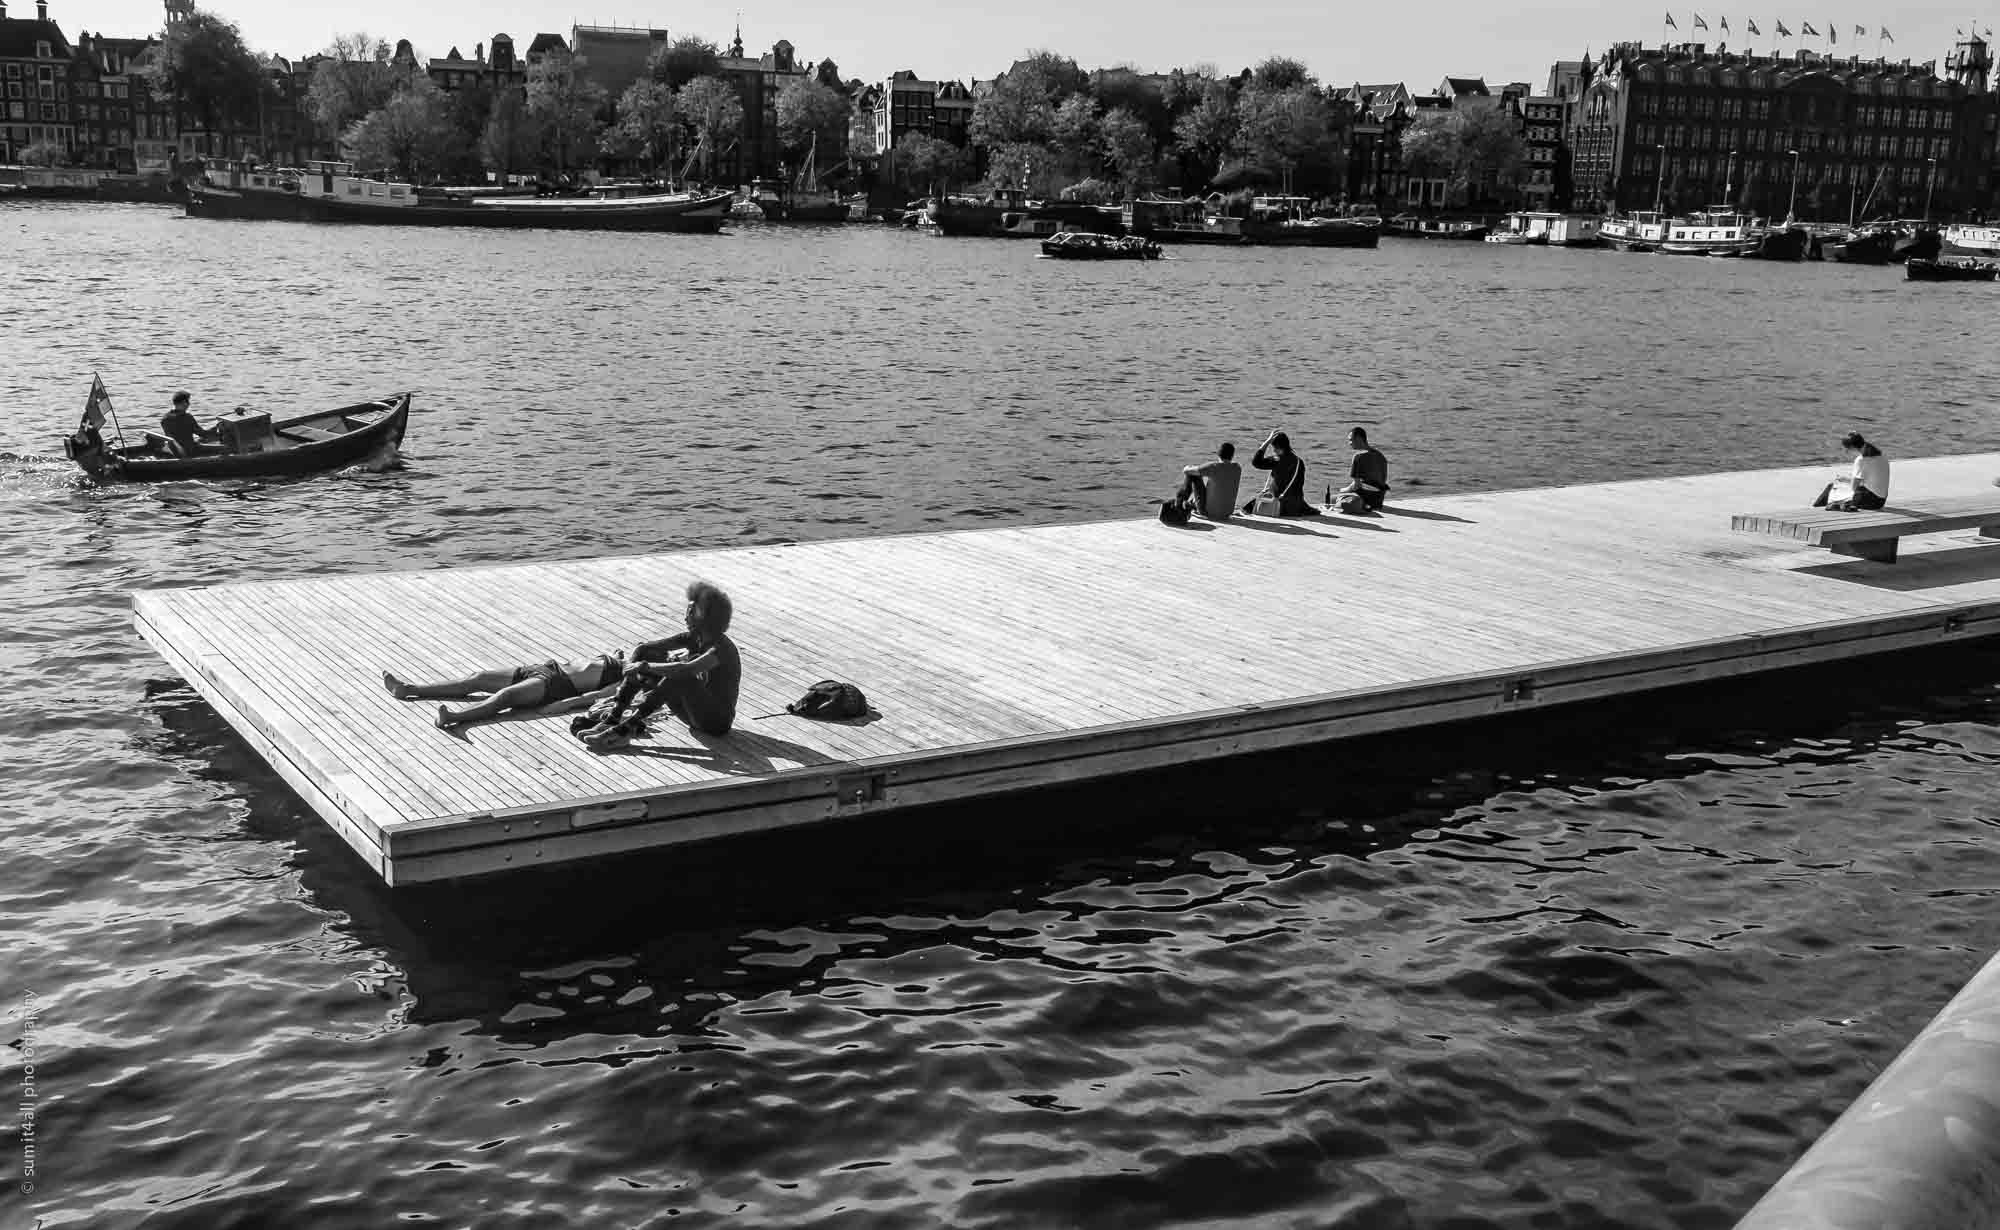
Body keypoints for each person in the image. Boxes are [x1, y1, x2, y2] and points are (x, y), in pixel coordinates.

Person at [579, 580, 741, 749]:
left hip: (716, 723)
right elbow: (645, 649)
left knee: (680, 676)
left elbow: (687, 669)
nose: (685, 617)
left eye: (691, 612)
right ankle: (613, 718)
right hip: (691, 715)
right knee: (647, 654)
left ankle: (625, 730)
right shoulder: (694, 637)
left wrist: (644, 667)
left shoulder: (721, 649)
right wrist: (637, 665)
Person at [385, 653, 629, 730]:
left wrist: (558, 707)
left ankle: (454, 718)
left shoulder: (626, 681)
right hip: (545, 668)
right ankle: (408, 689)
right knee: (477, 678)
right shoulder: (624, 659)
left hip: (555, 686)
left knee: (505, 698)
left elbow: (591, 698)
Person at [1812, 431, 1889, 511]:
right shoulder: (1881, 456)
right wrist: (1846, 480)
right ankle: (1816, 510)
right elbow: (1868, 483)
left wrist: (1845, 483)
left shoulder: (1861, 460)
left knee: (1831, 487)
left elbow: (1854, 488)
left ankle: (1814, 511)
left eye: (1847, 449)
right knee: (1836, 487)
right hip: (1880, 501)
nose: (1846, 452)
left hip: (1868, 501)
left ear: (1853, 447)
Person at [1243, 430, 1312, 516]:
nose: (1274, 451)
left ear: (1277, 447)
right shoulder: (1299, 462)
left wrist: (1267, 441)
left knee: (1247, 508)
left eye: (1274, 447)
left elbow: (1256, 462)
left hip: (1279, 506)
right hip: (1297, 506)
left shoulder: (1277, 460)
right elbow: (1298, 485)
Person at [1173, 441, 1242, 520]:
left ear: (1218, 454)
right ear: (1232, 456)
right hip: (1227, 512)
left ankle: (1178, 506)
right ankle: (1191, 503)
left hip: (1208, 513)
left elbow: (1186, 471)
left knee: (1192, 475)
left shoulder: (1214, 467)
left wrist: (1189, 467)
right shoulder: (1237, 468)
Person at [1332, 427, 1390, 514]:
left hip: (1365, 499)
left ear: (1359, 439)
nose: (1349, 443)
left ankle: (1360, 504)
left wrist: (1342, 490)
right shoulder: (1379, 455)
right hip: (1379, 500)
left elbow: (1356, 485)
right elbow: (1383, 479)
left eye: (1351, 440)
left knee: (1331, 499)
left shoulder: (1358, 457)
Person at [158, 391, 219, 457]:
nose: (189, 404)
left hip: (174, 450)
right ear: (184, 402)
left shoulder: (165, 418)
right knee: (224, 449)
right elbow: (203, 434)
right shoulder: (187, 417)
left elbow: (180, 435)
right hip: (190, 451)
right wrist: (216, 428)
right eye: (188, 401)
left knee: (200, 440)